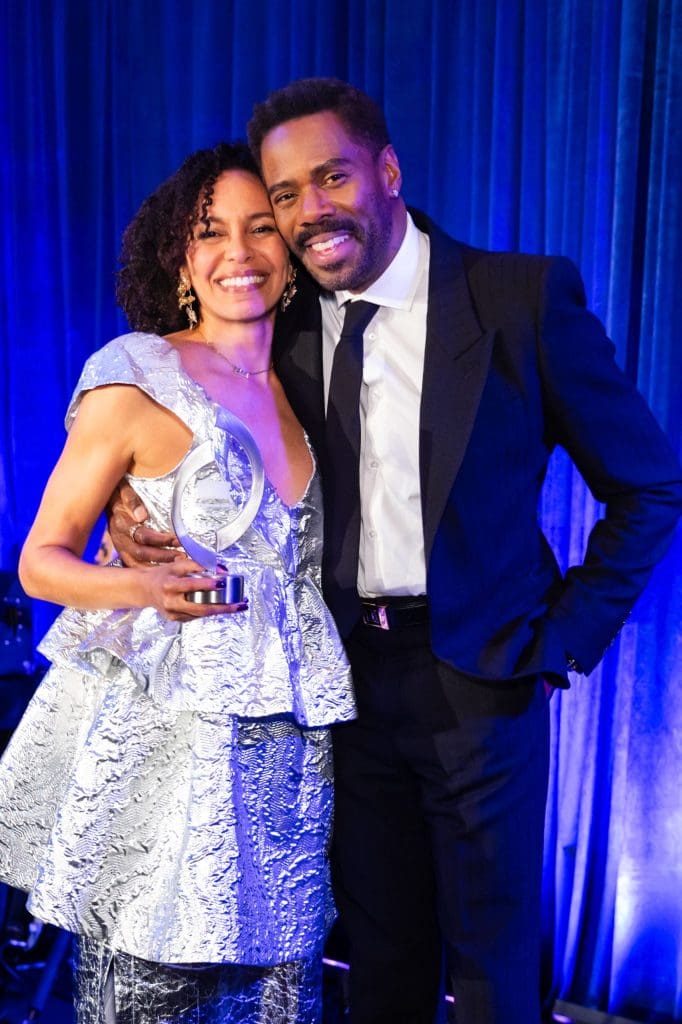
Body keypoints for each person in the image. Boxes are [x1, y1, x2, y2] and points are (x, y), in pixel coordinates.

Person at [110, 80, 682, 1024]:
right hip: (342, 686)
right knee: (379, 965)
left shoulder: (518, 299)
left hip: (484, 681)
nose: (308, 211)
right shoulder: (279, 321)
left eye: (331, 177)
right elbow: (178, 423)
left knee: (495, 974)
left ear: (388, 171)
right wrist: (130, 507)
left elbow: (650, 487)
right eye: (285, 194)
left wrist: (559, 642)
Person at [0, 141, 355, 1024]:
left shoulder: (309, 384)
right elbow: (41, 560)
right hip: (163, 760)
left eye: (261, 227)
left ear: (291, 249)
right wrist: (144, 589)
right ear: (181, 258)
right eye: (210, 232)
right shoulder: (137, 376)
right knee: (147, 997)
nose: (239, 251)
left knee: (282, 1001)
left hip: (282, 764)